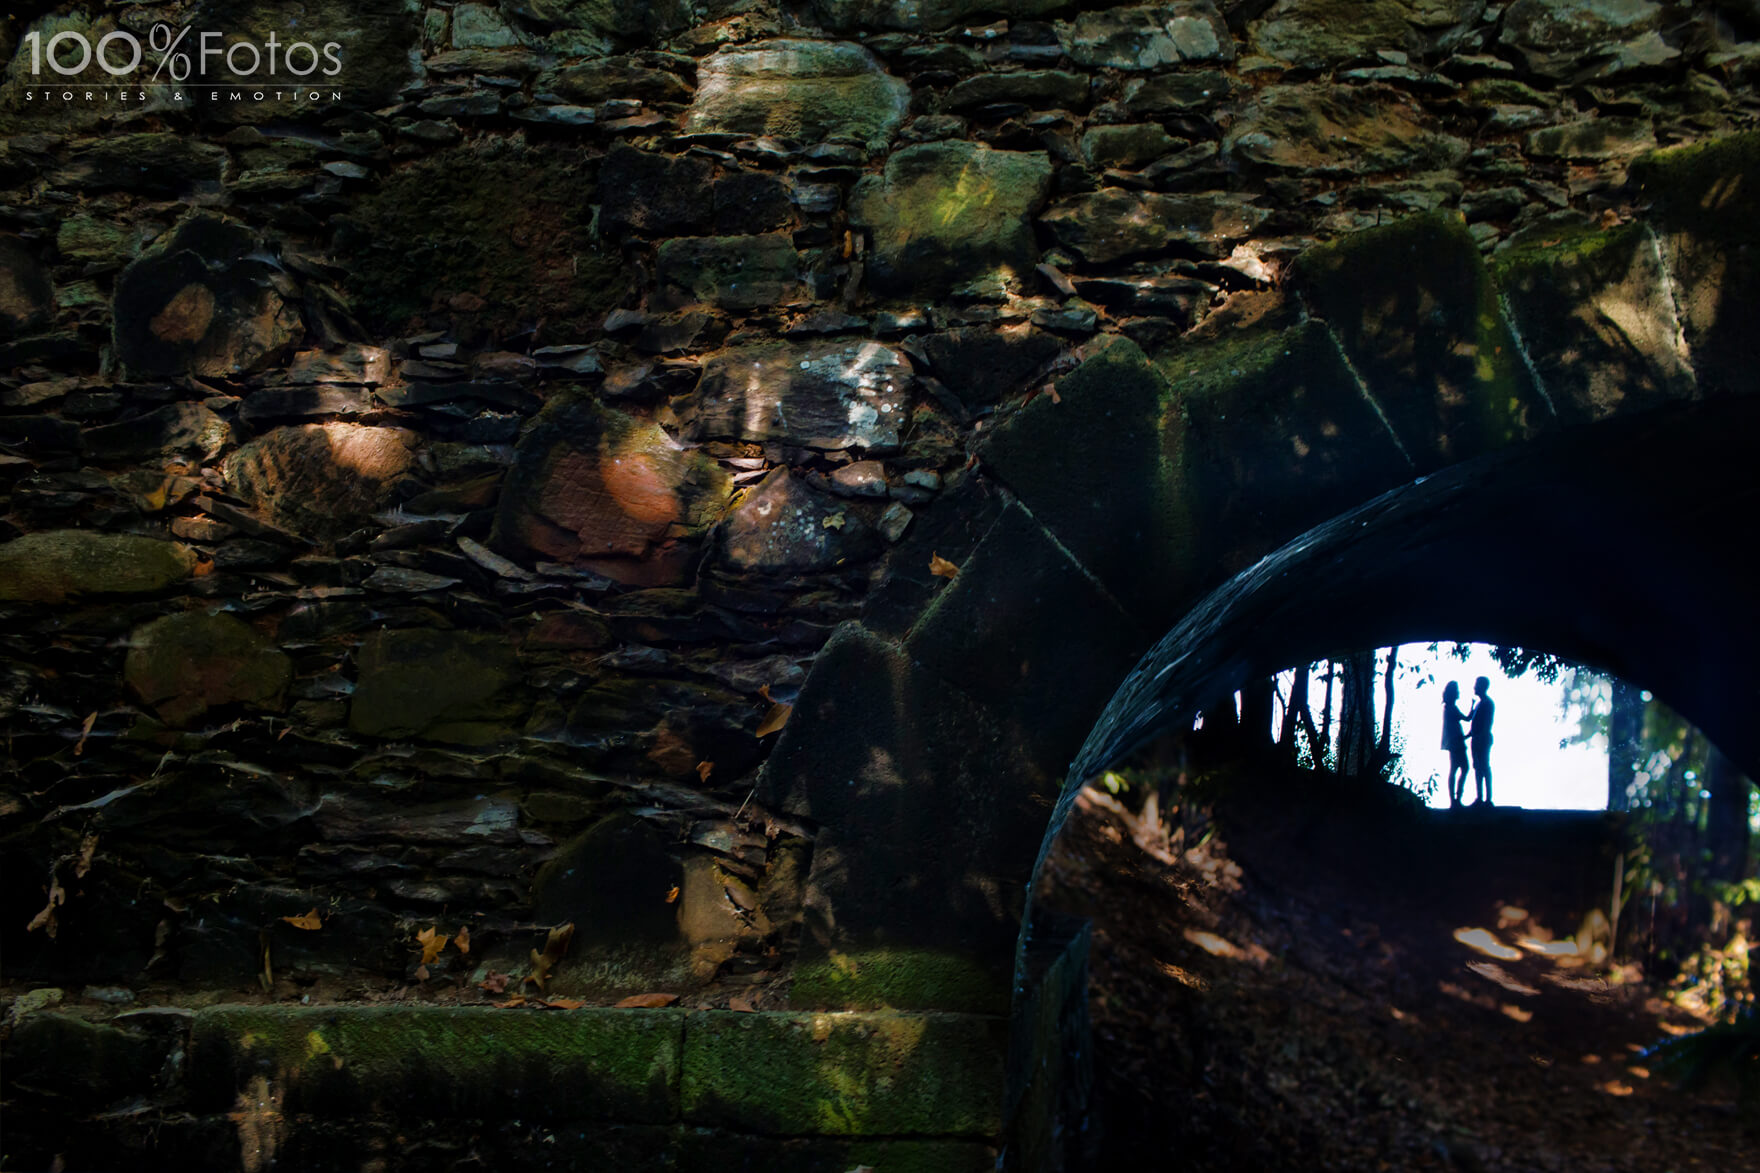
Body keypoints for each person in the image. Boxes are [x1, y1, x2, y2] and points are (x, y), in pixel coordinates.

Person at [1441, 681, 1470, 809]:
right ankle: (1456, 799)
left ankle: (1455, 799)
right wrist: (1473, 707)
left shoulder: (1448, 707)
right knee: (1462, 768)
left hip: (1454, 742)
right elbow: (1467, 718)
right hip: (1457, 742)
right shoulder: (1452, 708)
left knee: (1456, 769)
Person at [1468, 676, 1495, 806]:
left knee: (1484, 767)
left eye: (1476, 684)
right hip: (1476, 738)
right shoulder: (1480, 703)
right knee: (1478, 768)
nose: (1474, 687)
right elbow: (1474, 723)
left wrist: (1480, 737)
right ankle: (1480, 797)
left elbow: (1487, 723)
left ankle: (1488, 799)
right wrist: (1468, 736)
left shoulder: (1487, 703)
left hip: (1482, 739)